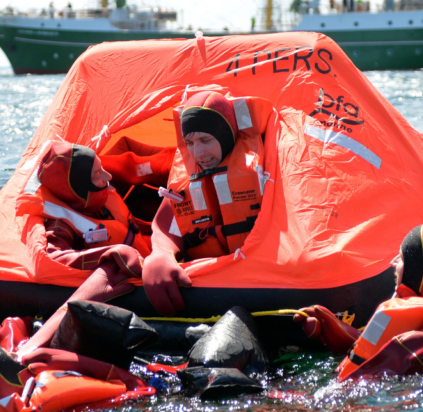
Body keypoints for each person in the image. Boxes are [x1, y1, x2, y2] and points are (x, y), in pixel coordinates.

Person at [294, 222, 423, 379]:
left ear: (419, 273)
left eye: (402, 257)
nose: (393, 262)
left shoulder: (416, 343)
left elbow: (346, 385)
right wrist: (351, 340)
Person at [142, 91, 271, 316]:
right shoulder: (187, 175)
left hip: (260, 279)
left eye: (206, 140)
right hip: (208, 284)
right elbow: (166, 225)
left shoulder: (267, 166)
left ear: (226, 134)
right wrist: (161, 253)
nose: (198, 153)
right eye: (189, 142)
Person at [15, 141, 151, 354]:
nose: (108, 177)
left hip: (147, 260)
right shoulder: (60, 224)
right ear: (74, 190)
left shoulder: (97, 203)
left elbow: (132, 230)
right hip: (126, 279)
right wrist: (110, 254)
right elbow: (52, 260)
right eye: (98, 175)